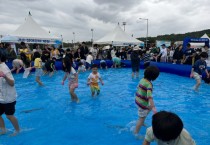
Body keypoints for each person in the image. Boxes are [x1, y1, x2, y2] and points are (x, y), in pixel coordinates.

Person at [134, 66, 160, 138]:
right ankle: (136, 133)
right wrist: (153, 107)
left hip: (138, 101)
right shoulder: (149, 84)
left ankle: (142, 122)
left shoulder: (142, 79)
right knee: (141, 119)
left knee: (148, 109)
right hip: (142, 104)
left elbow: (138, 88)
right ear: (154, 77)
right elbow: (149, 96)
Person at [0, 51, 20, 136]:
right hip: (1, 97)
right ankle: (4, 130)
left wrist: (4, 76)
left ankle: (17, 130)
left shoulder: (3, 68)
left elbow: (12, 83)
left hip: (9, 98)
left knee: (9, 115)